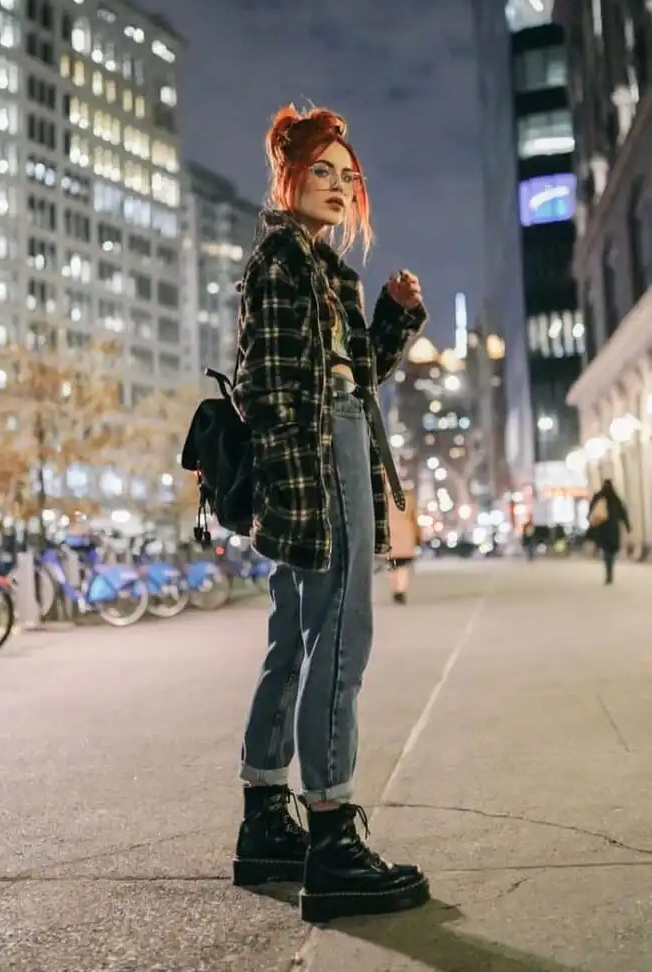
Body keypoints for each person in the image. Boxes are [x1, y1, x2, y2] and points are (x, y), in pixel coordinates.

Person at [230, 103, 429, 923]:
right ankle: (332, 835)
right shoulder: (280, 257)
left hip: (323, 451)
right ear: (289, 176)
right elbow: (267, 389)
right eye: (324, 171)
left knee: (294, 639)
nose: (341, 186)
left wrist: (392, 319)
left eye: (349, 175)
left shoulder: (321, 269)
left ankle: (266, 820)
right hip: (317, 459)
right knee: (340, 635)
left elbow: (356, 376)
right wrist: (300, 493)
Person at [586, 478, 631, 584]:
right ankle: (609, 571)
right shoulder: (615, 499)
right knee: (611, 550)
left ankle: (608, 571)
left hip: (602, 528)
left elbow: (592, 511)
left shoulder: (598, 497)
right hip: (613, 529)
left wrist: (590, 520)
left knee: (607, 550)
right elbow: (622, 513)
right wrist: (627, 525)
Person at [387, 487, 420, 602]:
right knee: (403, 566)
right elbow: (414, 519)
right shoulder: (409, 501)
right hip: (406, 535)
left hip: (390, 536)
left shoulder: (387, 501)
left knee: (392, 566)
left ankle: (396, 588)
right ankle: (401, 590)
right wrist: (418, 536)